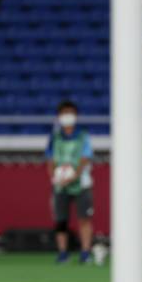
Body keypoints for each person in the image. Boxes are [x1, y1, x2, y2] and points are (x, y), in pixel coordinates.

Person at [45, 100, 94, 264]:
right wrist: (55, 177)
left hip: (82, 184)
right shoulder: (55, 137)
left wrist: (73, 176)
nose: (68, 116)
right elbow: (50, 160)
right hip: (60, 185)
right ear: (60, 116)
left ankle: (85, 252)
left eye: (70, 113)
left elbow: (85, 158)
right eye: (64, 113)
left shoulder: (83, 136)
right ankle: (62, 253)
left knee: (84, 219)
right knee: (61, 220)